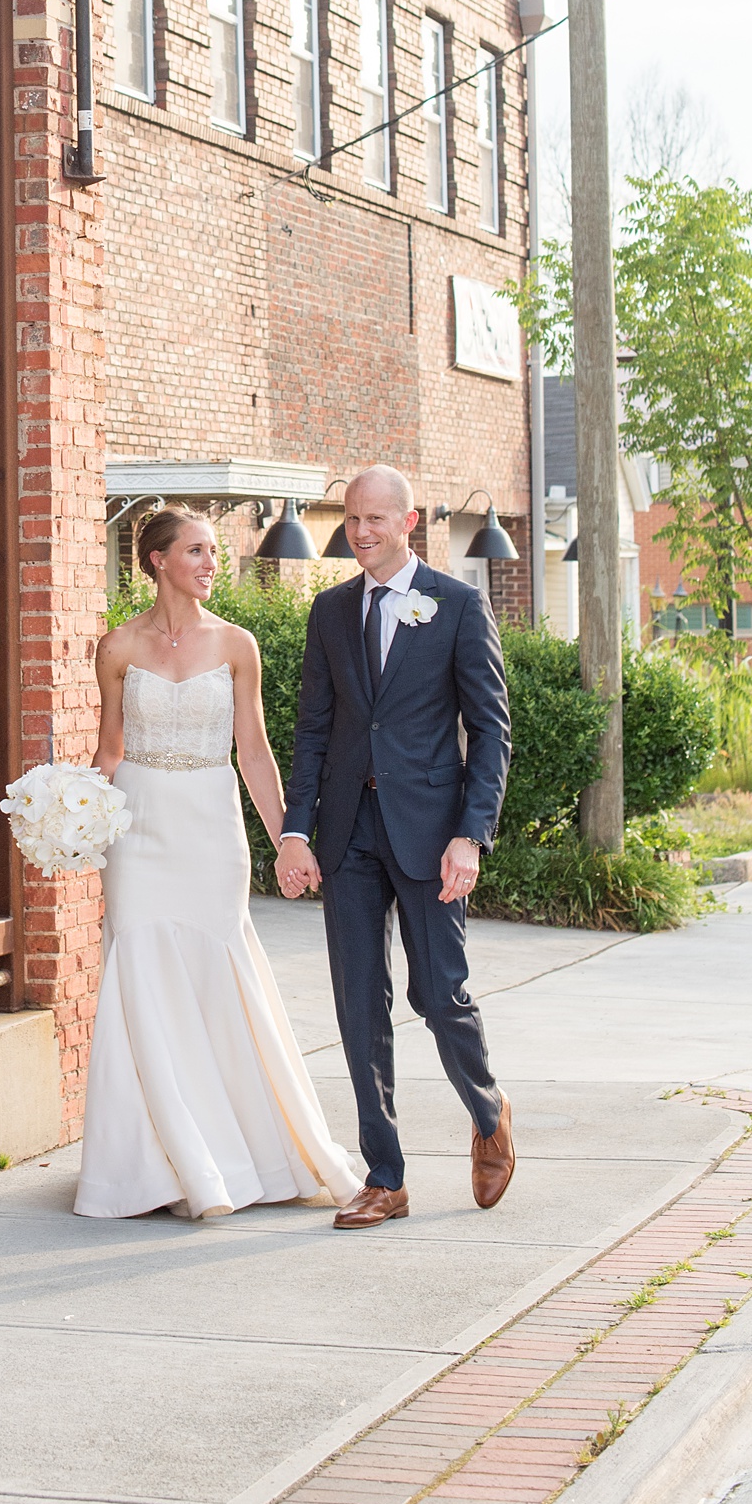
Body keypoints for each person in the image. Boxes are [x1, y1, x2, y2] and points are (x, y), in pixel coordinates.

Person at [74, 505, 363, 1221]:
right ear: (158, 560)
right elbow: (110, 750)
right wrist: (73, 818)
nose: (211, 562)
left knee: (216, 972)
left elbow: (254, 752)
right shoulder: (116, 648)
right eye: (197, 550)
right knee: (139, 966)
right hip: (139, 827)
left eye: (213, 551)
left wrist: (290, 839)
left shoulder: (238, 645)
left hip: (210, 822)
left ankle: (243, 1150)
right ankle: (161, 1164)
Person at [275, 465, 515, 1229]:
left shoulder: (458, 604)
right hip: (348, 835)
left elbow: (491, 731)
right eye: (352, 518)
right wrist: (295, 829)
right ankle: (384, 1174)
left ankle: (488, 1108)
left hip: (432, 833)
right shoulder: (330, 610)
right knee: (357, 1001)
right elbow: (314, 729)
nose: (362, 531)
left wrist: (470, 834)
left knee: (438, 993)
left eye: (377, 518)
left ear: (409, 523)